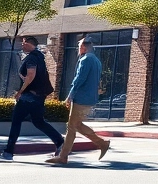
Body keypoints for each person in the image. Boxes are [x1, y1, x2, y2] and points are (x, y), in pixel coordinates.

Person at [0, 36, 65, 161]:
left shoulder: (31, 57)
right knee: (38, 121)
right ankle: (59, 142)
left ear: (30, 44)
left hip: (28, 96)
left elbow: (31, 75)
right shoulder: (40, 57)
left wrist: (20, 91)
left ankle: (8, 152)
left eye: (24, 43)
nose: (22, 45)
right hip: (39, 96)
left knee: (16, 122)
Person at [46, 37, 111, 165]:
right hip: (89, 98)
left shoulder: (86, 60)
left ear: (83, 47)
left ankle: (63, 156)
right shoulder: (96, 61)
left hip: (81, 98)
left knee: (72, 126)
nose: (78, 49)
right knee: (76, 125)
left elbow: (79, 79)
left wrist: (70, 95)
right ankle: (101, 144)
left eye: (79, 46)